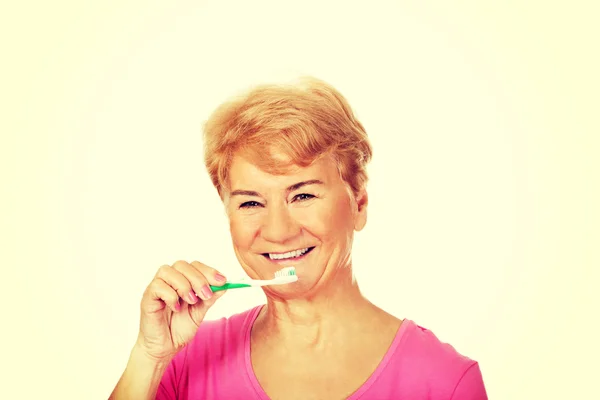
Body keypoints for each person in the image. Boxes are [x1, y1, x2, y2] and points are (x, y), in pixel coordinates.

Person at [109, 77, 488, 399]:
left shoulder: (443, 382)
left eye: (303, 195)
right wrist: (150, 356)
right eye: (251, 202)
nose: (278, 231)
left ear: (358, 203)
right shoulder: (183, 361)